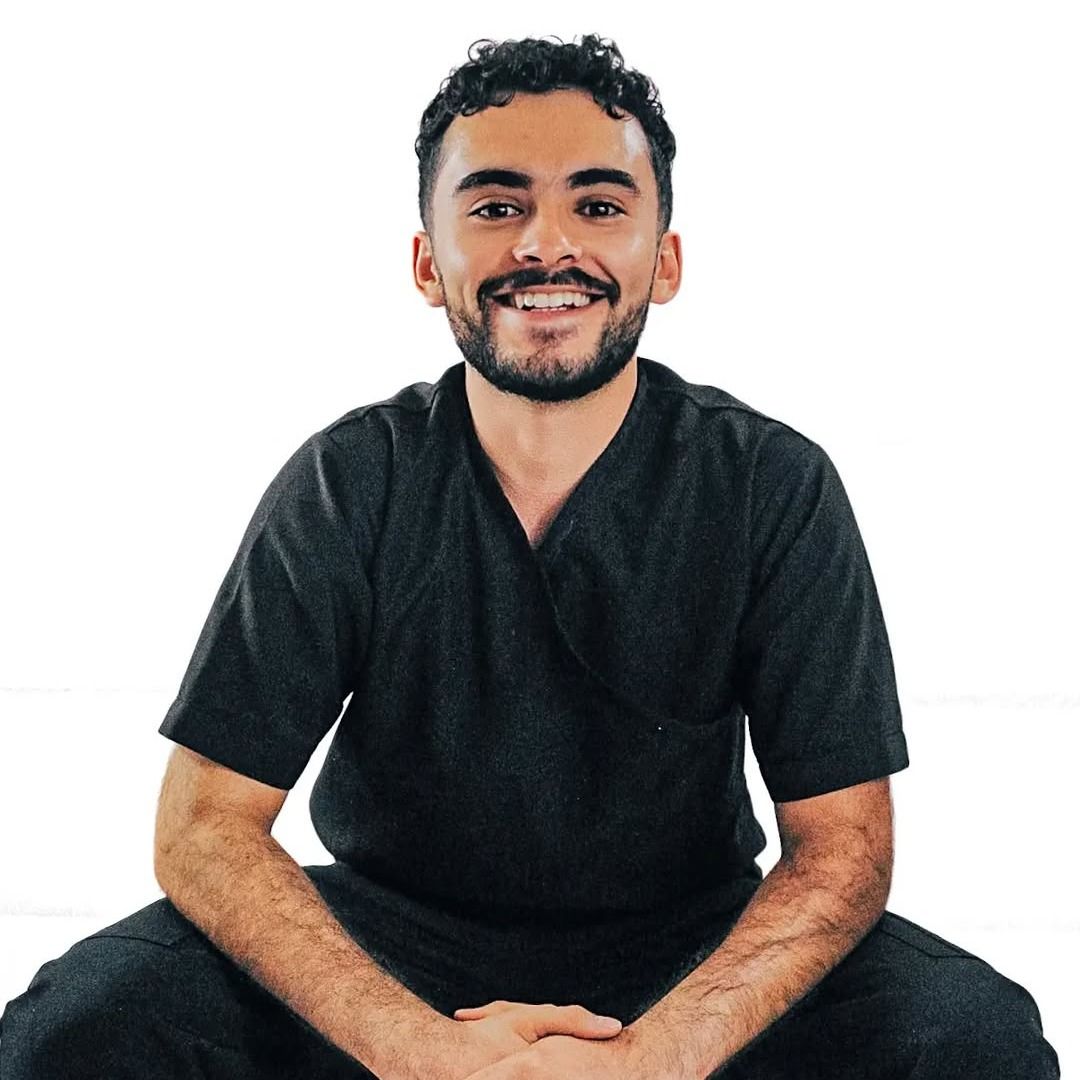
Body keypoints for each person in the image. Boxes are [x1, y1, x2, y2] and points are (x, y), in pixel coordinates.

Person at [0, 33, 1060, 1080]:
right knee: (75, 1033)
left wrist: (655, 1061)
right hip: (385, 946)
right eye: (496, 206)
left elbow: (844, 848)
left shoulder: (769, 485)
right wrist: (421, 1053)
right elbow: (203, 826)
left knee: (974, 1042)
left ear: (665, 259)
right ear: (429, 264)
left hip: (694, 957)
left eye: (598, 206)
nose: (546, 247)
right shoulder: (349, 481)